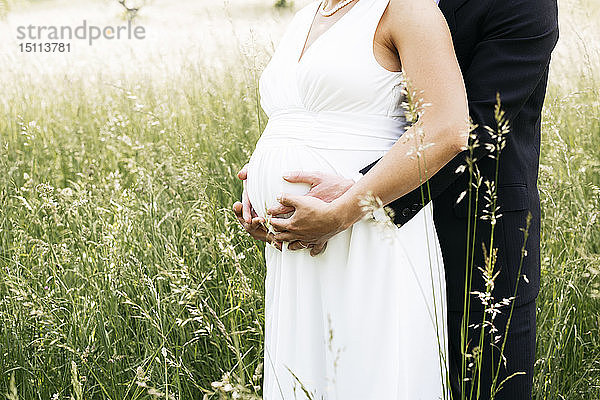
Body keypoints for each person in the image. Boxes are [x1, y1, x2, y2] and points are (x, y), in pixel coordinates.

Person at [234, 0, 559, 399]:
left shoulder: (522, 5)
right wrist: (268, 179)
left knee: (475, 383)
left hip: (475, 227)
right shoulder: (323, 12)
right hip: (324, 240)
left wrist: (356, 194)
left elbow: (474, 122)